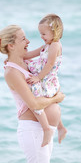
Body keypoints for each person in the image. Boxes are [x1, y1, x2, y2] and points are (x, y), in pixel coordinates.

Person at [0, 25, 65, 163]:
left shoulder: (25, 63)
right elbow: (35, 104)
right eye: (23, 39)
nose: (28, 41)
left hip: (41, 130)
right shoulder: (12, 72)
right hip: (33, 130)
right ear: (11, 46)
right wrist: (56, 99)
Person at [25, 14, 67, 144]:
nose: (41, 37)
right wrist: (14, 57)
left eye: (43, 34)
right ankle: (61, 127)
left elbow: (49, 64)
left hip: (47, 79)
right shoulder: (48, 45)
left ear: (54, 31)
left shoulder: (55, 45)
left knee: (35, 98)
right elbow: (31, 54)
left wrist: (38, 77)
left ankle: (46, 128)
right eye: (40, 34)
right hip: (44, 75)